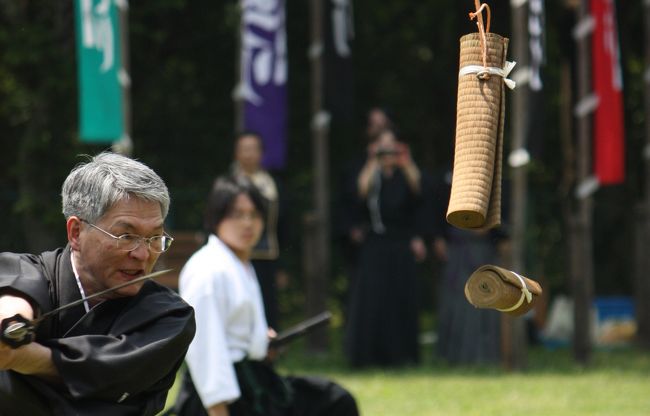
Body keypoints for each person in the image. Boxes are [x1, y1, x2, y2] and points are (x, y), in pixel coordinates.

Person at [0, 152, 196, 415]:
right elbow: (17, 290)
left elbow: (115, 371)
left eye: (155, 237)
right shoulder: (28, 273)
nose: (143, 254)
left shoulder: (170, 317)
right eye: (127, 235)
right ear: (76, 233)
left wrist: (22, 358)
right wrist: (13, 322)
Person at [173, 176, 359, 416]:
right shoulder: (207, 269)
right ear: (216, 217)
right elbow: (206, 349)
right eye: (237, 214)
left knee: (335, 401)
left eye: (254, 215)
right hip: (221, 397)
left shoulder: (240, 264)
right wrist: (218, 408)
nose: (247, 223)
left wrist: (262, 343)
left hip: (253, 380)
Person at [344, 128, 427, 368]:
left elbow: (418, 193)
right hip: (376, 244)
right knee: (372, 298)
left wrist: (405, 160)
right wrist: (372, 161)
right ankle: (368, 355)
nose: (388, 152)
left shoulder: (405, 175)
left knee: (400, 297)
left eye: (392, 146)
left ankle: (401, 356)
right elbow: (359, 194)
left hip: (401, 244)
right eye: (384, 146)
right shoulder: (373, 177)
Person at [431, 168, 505, 365]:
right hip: (457, 253)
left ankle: (484, 356)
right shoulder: (446, 182)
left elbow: (498, 223)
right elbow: (436, 213)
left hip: (481, 253)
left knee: (483, 301)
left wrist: (486, 228)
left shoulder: (491, 182)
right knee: (456, 303)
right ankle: (453, 356)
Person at [230, 131, 287, 329]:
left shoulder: (273, 185)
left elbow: (283, 225)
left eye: (253, 149)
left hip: (267, 256)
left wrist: (282, 265)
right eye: (244, 149)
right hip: (235, 257)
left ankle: (269, 350)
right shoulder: (229, 185)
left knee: (267, 305)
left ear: (261, 154)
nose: (249, 154)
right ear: (237, 154)